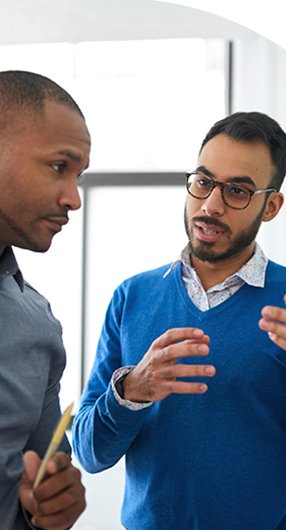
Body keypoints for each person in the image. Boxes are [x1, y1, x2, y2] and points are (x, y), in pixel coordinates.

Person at [73, 111, 286, 530]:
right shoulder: (131, 297)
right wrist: (132, 389)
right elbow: (89, 453)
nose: (210, 205)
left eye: (238, 191)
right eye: (203, 182)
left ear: (271, 205)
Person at [0, 70, 91, 530]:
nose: (74, 199)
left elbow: (44, 479)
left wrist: (56, 504)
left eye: (79, 175)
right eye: (60, 166)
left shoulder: (38, 325)